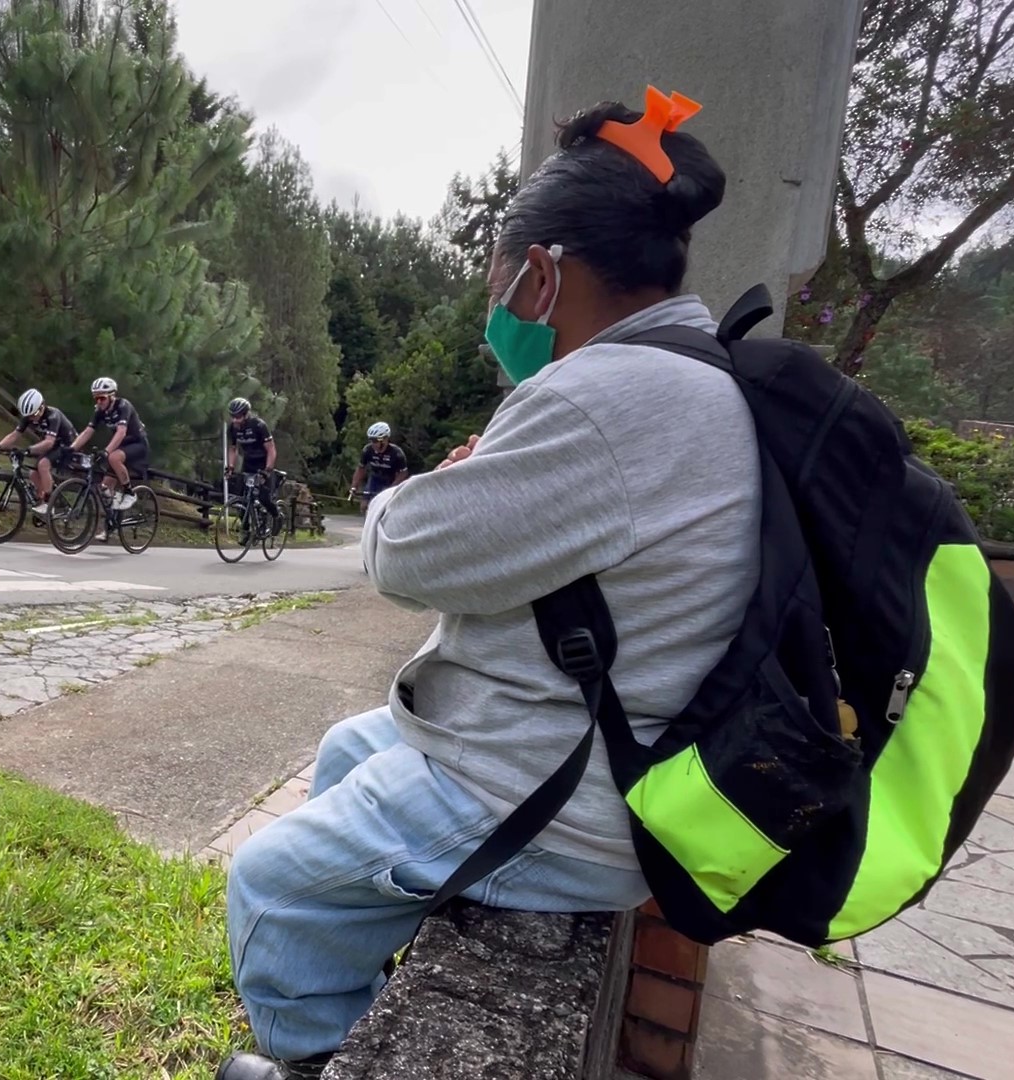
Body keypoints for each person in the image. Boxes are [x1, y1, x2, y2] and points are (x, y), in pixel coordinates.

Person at [219, 91, 752, 1080]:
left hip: (559, 793)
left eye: (499, 285)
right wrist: (480, 487)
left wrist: (428, 489)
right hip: (591, 748)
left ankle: (317, 1054)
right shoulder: (687, 375)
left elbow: (406, 555)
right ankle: (370, 975)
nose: (496, 312)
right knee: (346, 747)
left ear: (543, 275)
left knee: (268, 884)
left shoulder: (605, 398)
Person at [0, 388, 76, 516]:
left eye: (34, 414)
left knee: (43, 465)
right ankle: (43, 502)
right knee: (33, 474)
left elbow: (49, 442)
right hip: (54, 445)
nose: (32, 418)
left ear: (42, 407)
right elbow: (15, 435)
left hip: (68, 445)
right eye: (28, 416)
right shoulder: (30, 416)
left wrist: (27, 450)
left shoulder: (53, 415)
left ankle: (49, 503)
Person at [70, 376, 147, 511]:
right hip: (121, 447)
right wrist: (71, 449)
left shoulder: (123, 406)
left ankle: (129, 493)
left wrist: (106, 451)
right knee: (105, 489)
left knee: (113, 457)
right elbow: (88, 432)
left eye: (102, 398)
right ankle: (111, 524)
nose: (99, 402)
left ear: (112, 396)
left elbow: (121, 432)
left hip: (137, 444)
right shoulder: (99, 411)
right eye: (96, 398)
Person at [224, 397, 280, 526]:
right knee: (242, 500)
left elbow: (271, 449)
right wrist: (230, 467)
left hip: (263, 463)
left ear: (245, 414)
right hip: (248, 463)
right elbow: (233, 449)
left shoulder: (258, 425)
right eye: (232, 416)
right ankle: (246, 530)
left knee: (264, 497)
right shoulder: (233, 428)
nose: (235, 420)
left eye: (238, 417)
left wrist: (267, 470)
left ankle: (276, 517)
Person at [348, 422, 407, 509]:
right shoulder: (368, 450)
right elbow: (361, 469)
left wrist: (391, 489)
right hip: (375, 480)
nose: (374, 444)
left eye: (376, 441)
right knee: (364, 506)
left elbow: (403, 474)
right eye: (372, 441)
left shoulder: (397, 453)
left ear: (386, 439)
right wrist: (354, 487)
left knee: (387, 507)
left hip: (391, 480)